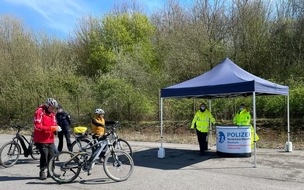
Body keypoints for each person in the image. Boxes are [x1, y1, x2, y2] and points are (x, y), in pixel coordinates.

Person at [33, 98, 62, 180]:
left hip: (50, 138)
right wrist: (51, 128)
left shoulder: (52, 114)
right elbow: (37, 126)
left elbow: (54, 123)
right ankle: (42, 171)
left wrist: (56, 128)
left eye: (54, 108)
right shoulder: (39, 112)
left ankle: (51, 172)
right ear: (47, 105)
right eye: (52, 107)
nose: (53, 109)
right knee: (44, 155)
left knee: (52, 155)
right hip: (41, 139)